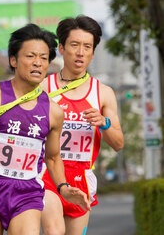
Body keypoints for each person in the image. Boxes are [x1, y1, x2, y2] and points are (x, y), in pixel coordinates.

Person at [0, 23, 91, 235]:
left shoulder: (54, 112)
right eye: (30, 56)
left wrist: (63, 187)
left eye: (44, 58)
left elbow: (53, 158)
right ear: (13, 60)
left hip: (28, 192)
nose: (38, 63)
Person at [40, 15, 124, 235]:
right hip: (46, 175)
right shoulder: (43, 88)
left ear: (93, 53)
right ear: (61, 47)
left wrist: (104, 123)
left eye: (87, 46)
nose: (80, 52)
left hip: (81, 179)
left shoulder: (103, 93)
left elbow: (118, 143)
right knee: (54, 230)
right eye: (74, 45)